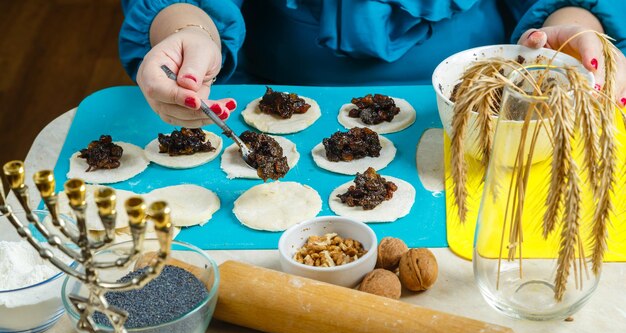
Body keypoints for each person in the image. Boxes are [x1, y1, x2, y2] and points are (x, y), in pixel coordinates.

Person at [119, 1, 626, 128]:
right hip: (268, 105)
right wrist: (191, 33)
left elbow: (565, 3)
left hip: (490, 110)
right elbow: (188, 3)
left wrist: (574, 29)